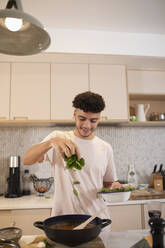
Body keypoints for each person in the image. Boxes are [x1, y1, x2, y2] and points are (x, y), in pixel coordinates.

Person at [23, 91, 122, 220]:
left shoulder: (105, 147)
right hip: (63, 220)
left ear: (100, 119)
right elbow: (27, 159)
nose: (87, 125)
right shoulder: (58, 138)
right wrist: (50, 143)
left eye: (93, 120)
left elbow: (108, 183)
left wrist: (114, 186)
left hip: (97, 219)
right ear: (74, 115)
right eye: (82, 119)